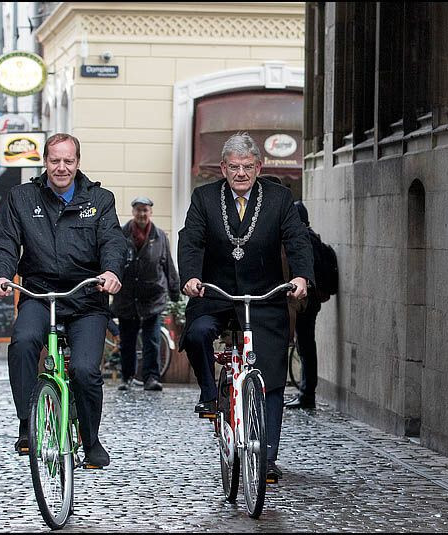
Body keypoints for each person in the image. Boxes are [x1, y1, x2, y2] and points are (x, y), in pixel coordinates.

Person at [177, 132, 313, 483]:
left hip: (264, 294)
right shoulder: (205, 197)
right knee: (197, 333)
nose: (241, 173)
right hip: (216, 291)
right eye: (234, 167)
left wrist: (300, 277)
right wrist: (191, 277)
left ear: (259, 167)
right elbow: (190, 239)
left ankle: (266, 458)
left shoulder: (280, 198)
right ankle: (210, 393)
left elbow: (296, 239)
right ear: (223, 168)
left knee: (271, 376)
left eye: (247, 167)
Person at [0, 133, 126, 468]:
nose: (61, 167)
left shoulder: (100, 199)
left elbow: (112, 240)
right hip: (40, 294)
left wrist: (110, 271)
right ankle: (27, 423)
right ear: (45, 162)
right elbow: (5, 241)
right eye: (55, 160)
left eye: (68, 161)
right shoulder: (21, 198)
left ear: (78, 163)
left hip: (87, 298)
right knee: (22, 343)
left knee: (83, 369)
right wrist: (1, 275)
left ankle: (91, 439)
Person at [111, 196, 180, 392]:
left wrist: (175, 292)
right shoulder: (122, 234)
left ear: (150, 212)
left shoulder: (160, 236)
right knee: (128, 342)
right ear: (133, 212)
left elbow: (168, 266)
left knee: (152, 341)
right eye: (138, 210)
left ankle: (152, 378)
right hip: (127, 298)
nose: (142, 214)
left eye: (145, 210)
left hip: (152, 298)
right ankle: (127, 377)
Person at [285, 200, 322, 410]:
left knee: (306, 345)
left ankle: (307, 393)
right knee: (306, 345)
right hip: (309, 299)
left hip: (304, 300)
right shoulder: (312, 237)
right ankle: (306, 392)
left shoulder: (303, 240)